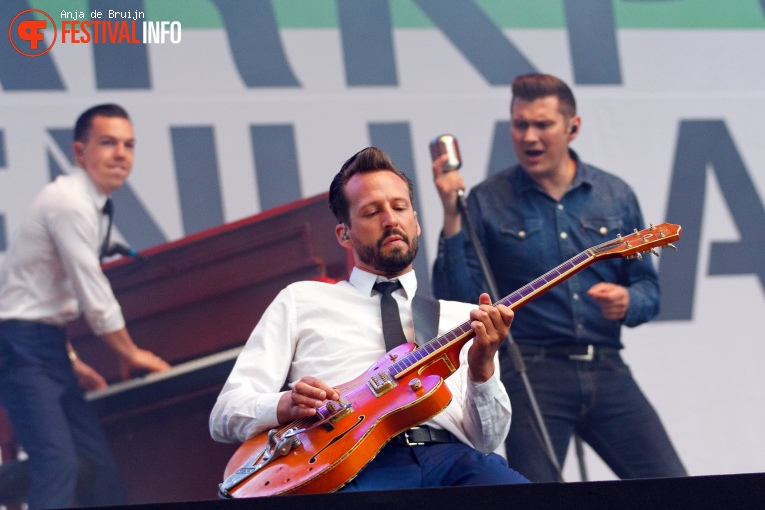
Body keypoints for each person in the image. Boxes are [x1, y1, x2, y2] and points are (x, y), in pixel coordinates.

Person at [210, 147, 529, 493]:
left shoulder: (461, 317)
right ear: (344, 234)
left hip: (450, 459)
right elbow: (225, 413)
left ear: (417, 223)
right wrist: (286, 405)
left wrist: (482, 369)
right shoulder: (302, 299)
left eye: (400, 207)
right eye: (372, 211)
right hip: (349, 464)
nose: (390, 219)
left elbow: (487, 440)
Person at [431, 73, 687, 482]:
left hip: (605, 364)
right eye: (519, 124)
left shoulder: (614, 194)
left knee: (676, 487)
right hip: (532, 369)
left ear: (573, 127)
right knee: (536, 494)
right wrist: (450, 213)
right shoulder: (487, 200)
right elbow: (457, 300)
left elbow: (649, 291)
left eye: (542, 124)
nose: (529, 136)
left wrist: (628, 301)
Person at [0, 104, 171, 509]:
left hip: (46, 345)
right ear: (79, 152)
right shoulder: (69, 203)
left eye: (128, 144)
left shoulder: (84, 203)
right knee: (57, 464)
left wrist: (70, 358)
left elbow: (48, 297)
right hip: (20, 346)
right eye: (108, 143)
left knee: (99, 468)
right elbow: (92, 292)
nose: (121, 154)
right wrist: (131, 352)